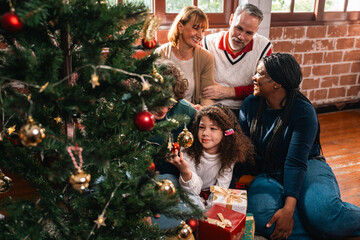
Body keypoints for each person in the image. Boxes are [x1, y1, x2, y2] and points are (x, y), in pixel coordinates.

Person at [238, 53, 360, 239]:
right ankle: (320, 225)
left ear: (277, 83)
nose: (254, 78)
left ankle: (319, 220)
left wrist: (288, 208)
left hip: (307, 165)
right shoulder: (250, 105)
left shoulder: (303, 111)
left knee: (323, 213)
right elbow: (243, 148)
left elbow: (295, 162)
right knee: (263, 220)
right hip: (268, 172)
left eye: (260, 74)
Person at [168, 104, 254, 209]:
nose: (205, 133)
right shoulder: (188, 150)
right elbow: (193, 190)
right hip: (191, 190)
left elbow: (221, 187)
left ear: (225, 132)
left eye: (213, 128)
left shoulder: (229, 154)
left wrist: (210, 211)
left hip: (213, 193)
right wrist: (185, 171)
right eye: (202, 127)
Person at [201, 3, 272, 116]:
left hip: (246, 111)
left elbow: (265, 86)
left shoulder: (263, 47)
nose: (241, 37)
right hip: (212, 108)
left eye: (249, 33)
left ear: (256, 30)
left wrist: (228, 92)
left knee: (233, 133)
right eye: (238, 28)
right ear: (231, 19)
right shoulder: (207, 43)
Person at [154, 6, 215, 110]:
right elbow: (155, 92)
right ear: (180, 27)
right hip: (164, 112)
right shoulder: (161, 53)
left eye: (203, 30)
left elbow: (207, 96)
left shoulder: (206, 58)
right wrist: (186, 105)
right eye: (195, 28)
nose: (200, 35)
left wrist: (203, 109)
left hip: (192, 114)